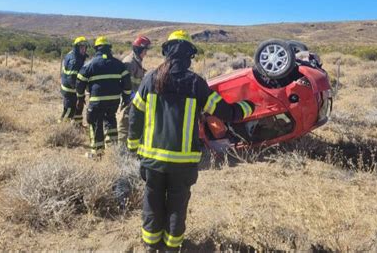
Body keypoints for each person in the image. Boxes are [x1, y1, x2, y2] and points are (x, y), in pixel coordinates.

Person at [128, 30, 255, 251]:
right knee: (177, 206)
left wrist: (132, 145)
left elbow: (135, 113)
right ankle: (172, 247)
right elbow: (223, 111)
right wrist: (248, 107)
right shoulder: (196, 83)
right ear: (188, 55)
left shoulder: (151, 78)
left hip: (151, 160)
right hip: (182, 164)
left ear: (167, 52)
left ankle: (150, 245)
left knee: (152, 203)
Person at [76, 36, 132, 158]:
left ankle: (96, 153)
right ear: (109, 49)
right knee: (111, 121)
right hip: (114, 101)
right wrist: (126, 97)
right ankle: (113, 151)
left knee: (95, 124)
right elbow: (127, 82)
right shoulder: (118, 64)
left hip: (97, 101)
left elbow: (80, 82)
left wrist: (80, 98)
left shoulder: (90, 64)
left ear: (96, 49)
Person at [117, 35, 152, 143]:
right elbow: (124, 83)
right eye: (145, 50)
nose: (146, 53)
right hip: (129, 99)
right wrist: (130, 96)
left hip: (135, 99)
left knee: (133, 123)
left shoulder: (136, 61)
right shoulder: (129, 62)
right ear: (139, 49)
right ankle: (121, 149)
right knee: (124, 122)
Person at [60, 36, 89, 124]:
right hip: (70, 90)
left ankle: (78, 125)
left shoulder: (75, 55)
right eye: (81, 47)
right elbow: (72, 79)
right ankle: (61, 128)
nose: (83, 49)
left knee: (78, 108)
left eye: (84, 47)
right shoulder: (74, 60)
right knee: (69, 110)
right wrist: (79, 93)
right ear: (76, 47)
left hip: (72, 89)